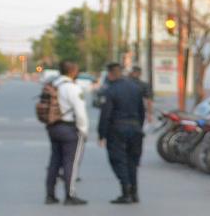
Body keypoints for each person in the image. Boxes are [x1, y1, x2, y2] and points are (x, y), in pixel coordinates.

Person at [98, 62, 146, 204]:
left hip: (117, 130)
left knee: (118, 160)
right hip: (135, 129)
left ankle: (126, 191)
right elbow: (141, 111)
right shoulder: (135, 88)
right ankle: (134, 192)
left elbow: (106, 114)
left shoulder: (111, 90)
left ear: (111, 74)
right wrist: (139, 126)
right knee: (132, 161)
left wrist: (102, 134)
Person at [45, 60, 89, 206]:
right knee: (71, 162)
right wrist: (83, 130)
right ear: (73, 71)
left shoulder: (54, 84)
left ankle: (50, 195)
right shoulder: (72, 88)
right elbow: (80, 112)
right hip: (68, 128)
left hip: (53, 127)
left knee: (54, 162)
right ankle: (70, 196)